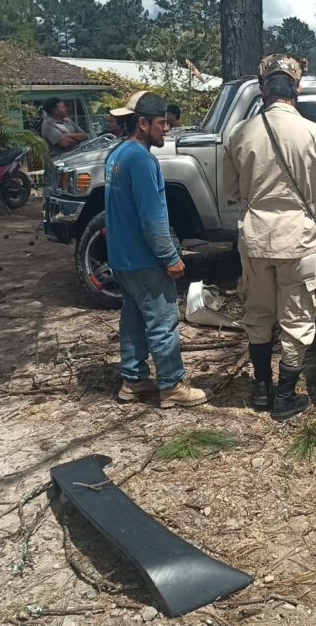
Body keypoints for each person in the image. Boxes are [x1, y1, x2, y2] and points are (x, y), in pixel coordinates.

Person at [222, 54, 316, 420]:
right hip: (298, 240)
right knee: (298, 318)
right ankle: (286, 395)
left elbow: (229, 190)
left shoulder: (239, 134)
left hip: (255, 239)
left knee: (258, 313)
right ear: (297, 89)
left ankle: (261, 388)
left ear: (262, 90)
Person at [105, 92, 209, 409]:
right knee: (163, 322)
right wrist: (171, 257)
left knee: (133, 319)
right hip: (145, 260)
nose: (167, 129)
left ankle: (134, 380)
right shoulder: (142, 160)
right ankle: (171, 384)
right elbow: (153, 218)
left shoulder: (116, 154)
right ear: (142, 123)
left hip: (122, 258)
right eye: (162, 123)